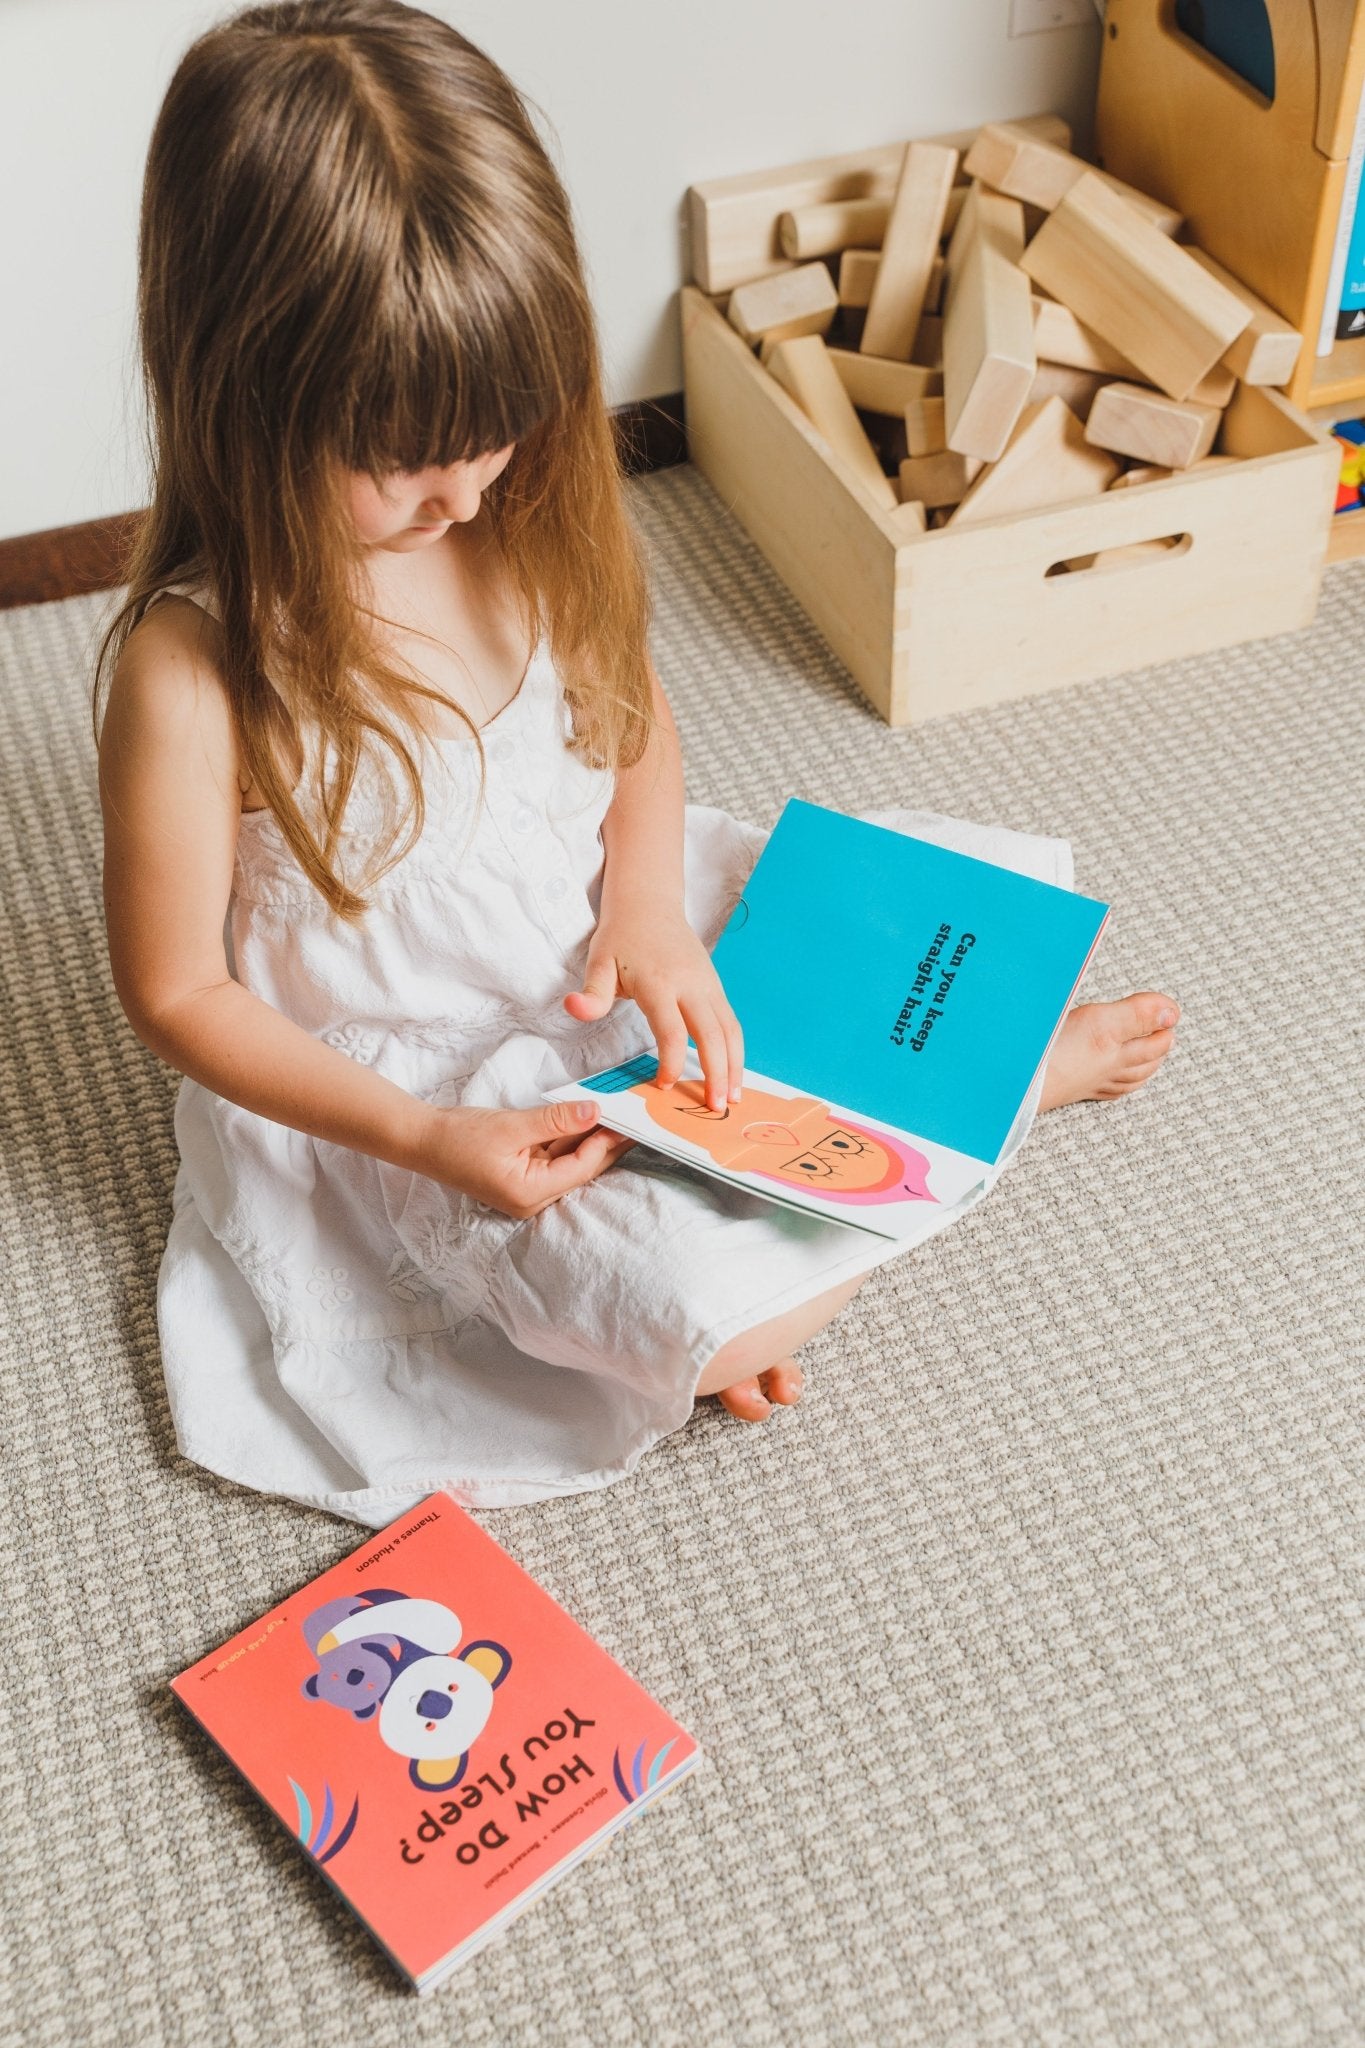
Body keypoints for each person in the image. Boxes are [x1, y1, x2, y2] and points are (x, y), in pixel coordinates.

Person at [96, 0, 1179, 1528]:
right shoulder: (193, 666)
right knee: (686, 1311)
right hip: (421, 1084)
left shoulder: (515, 520)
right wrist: (421, 1139)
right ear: (243, 396)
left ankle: (897, 1139)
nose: (463, 493)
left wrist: (653, 909)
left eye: (495, 433)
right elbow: (178, 995)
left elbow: (631, 723)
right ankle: (954, 1131)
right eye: (402, 461)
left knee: (927, 931)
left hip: (607, 931)